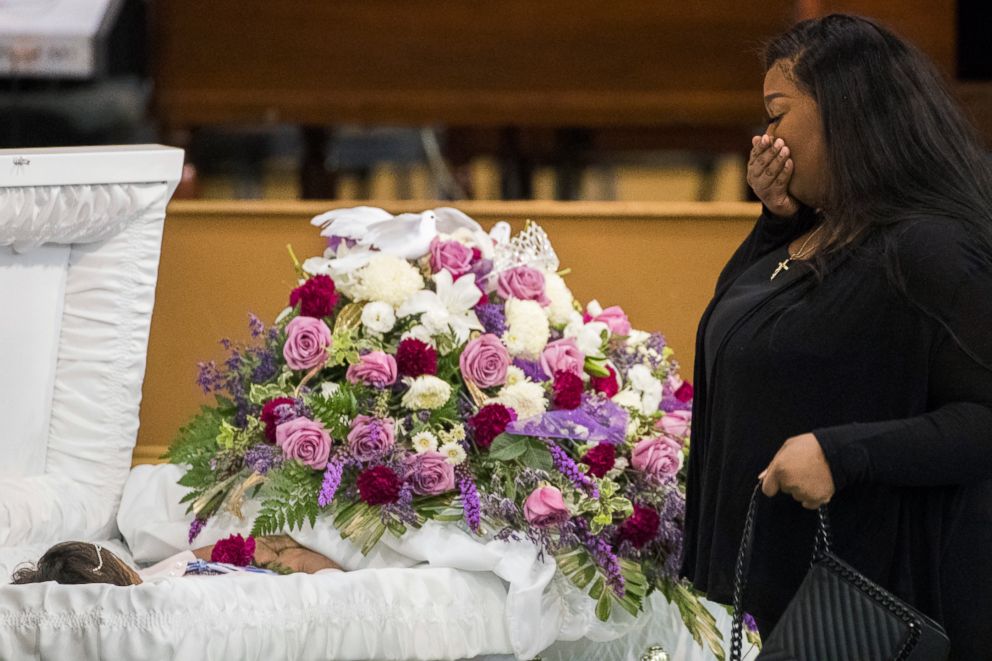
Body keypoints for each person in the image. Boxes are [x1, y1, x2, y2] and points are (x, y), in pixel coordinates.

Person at [679, 13, 992, 660]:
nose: (765, 135)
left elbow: (983, 418)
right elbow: (731, 330)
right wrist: (771, 223)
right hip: (752, 588)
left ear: (847, 117)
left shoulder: (927, 248)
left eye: (777, 113)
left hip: (847, 608)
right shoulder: (804, 232)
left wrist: (842, 452)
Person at [11, 535, 341, 586]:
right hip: (275, 583)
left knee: (280, 549)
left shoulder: (145, 576)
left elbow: (198, 557)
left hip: (237, 567)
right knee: (295, 557)